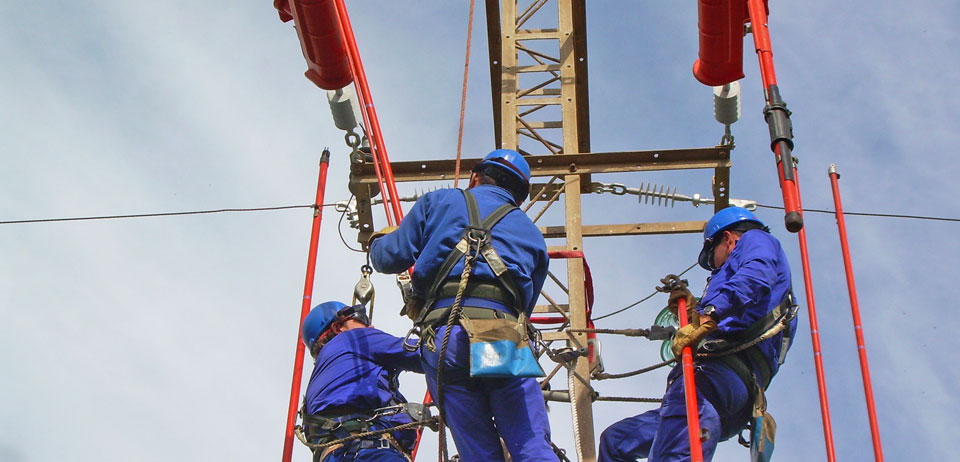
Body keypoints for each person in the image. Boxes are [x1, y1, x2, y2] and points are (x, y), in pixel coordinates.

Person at [368, 149, 555, 462]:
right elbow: (525, 304)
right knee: (531, 446)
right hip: (501, 333)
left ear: (475, 177)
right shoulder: (531, 234)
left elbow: (390, 257)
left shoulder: (440, 202)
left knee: (479, 454)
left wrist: (377, 243)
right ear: (520, 197)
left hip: (445, 339)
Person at [598, 206, 798, 461]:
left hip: (716, 378)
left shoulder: (755, 240)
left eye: (714, 256)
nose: (715, 268)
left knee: (671, 457)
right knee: (616, 442)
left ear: (728, 239)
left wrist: (709, 313)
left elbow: (754, 278)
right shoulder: (766, 292)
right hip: (730, 394)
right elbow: (741, 304)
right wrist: (697, 311)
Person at [300, 301, 426, 462]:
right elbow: (429, 352)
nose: (371, 326)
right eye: (361, 319)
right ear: (338, 328)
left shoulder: (327, 377)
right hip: (366, 451)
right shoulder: (353, 339)